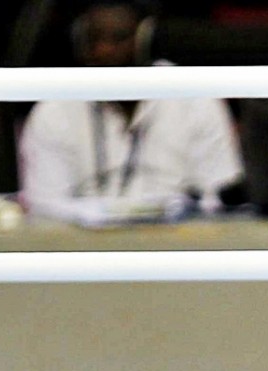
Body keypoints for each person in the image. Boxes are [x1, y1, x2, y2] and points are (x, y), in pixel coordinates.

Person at [17, 0, 243, 227]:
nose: (103, 50)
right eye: (93, 39)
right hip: (83, 241)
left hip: (179, 239)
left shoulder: (194, 97)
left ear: (146, 40)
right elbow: (44, 205)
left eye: (119, 38)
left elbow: (221, 194)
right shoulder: (55, 108)